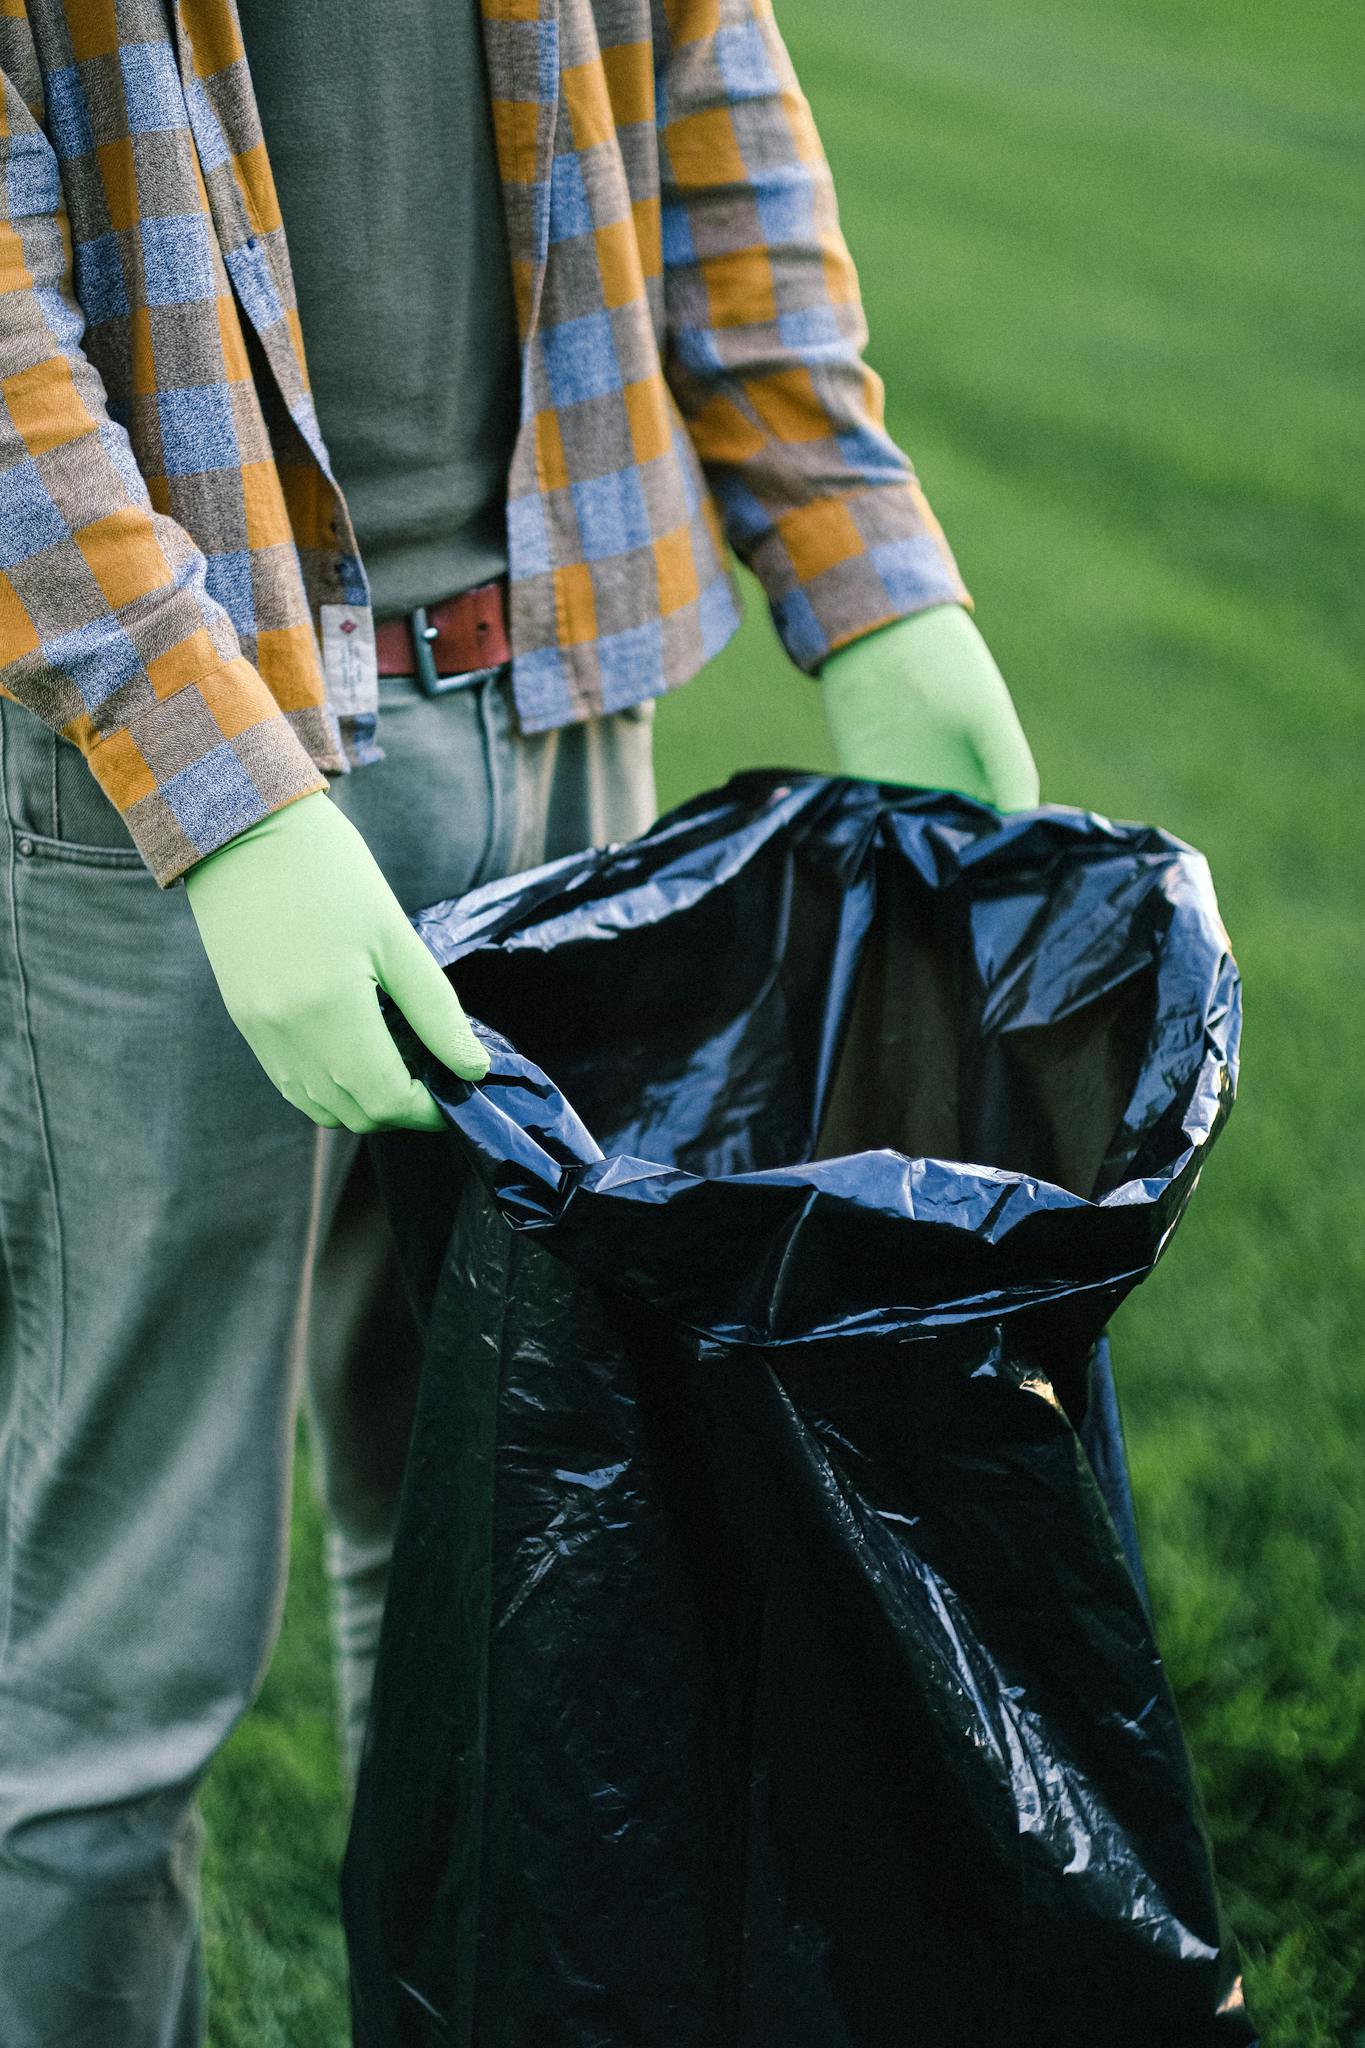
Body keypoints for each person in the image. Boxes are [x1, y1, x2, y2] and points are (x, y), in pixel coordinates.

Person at [0, 1, 1038, 2040]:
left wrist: (862, 553)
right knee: (113, 1661)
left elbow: (701, 77)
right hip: (157, 805)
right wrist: (206, 783)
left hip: (557, 713)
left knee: (519, 1568)